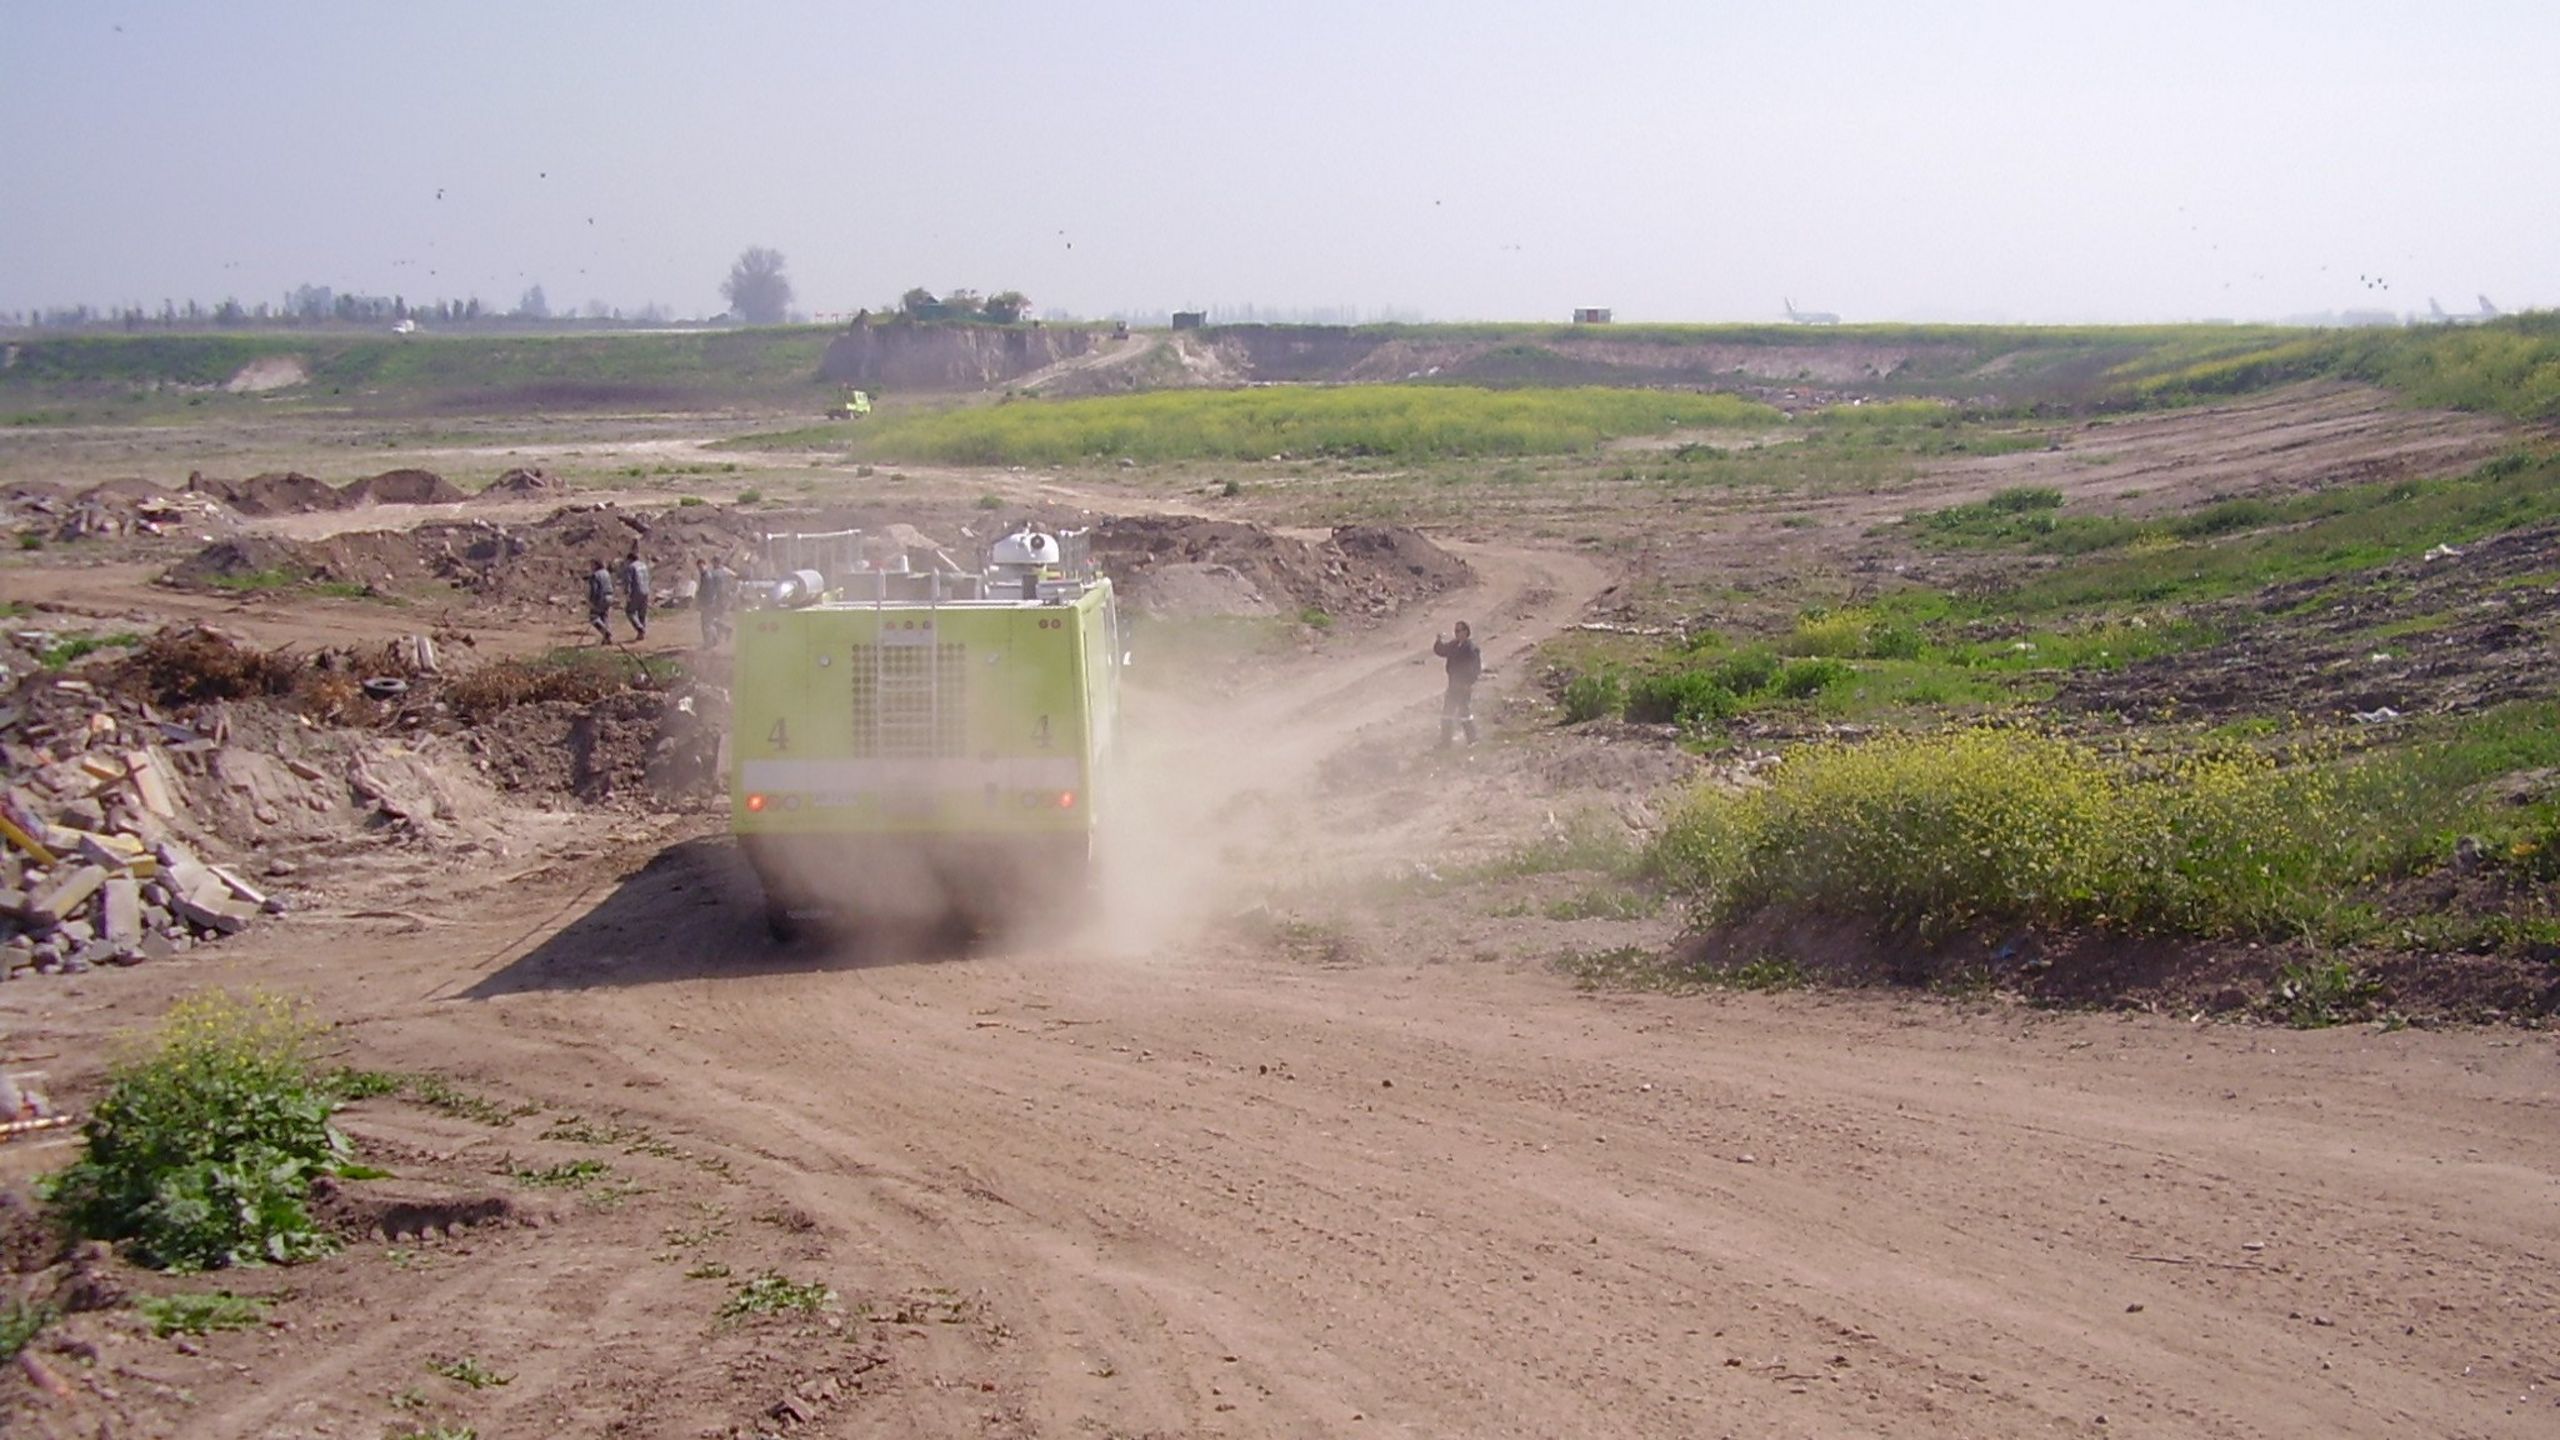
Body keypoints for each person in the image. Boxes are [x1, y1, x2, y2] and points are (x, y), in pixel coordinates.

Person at [1432, 620, 1481, 747]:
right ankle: (1446, 741)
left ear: (1466, 632)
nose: (1456, 633)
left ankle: (1472, 740)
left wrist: (1468, 683)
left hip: (1464, 686)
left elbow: (1475, 668)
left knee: (1464, 713)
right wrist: (1438, 642)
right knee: (1447, 712)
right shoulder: (1454, 645)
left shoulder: (1471, 648)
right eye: (1455, 631)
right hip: (1453, 684)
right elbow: (1441, 651)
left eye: (1459, 631)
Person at [619, 546, 651, 642]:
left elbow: (628, 581)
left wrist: (627, 593)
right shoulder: (644, 566)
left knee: (630, 611)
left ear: (629, 559)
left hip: (636, 591)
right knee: (642, 613)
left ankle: (639, 628)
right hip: (646, 590)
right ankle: (642, 633)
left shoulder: (631, 567)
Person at [585, 560, 615, 644]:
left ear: (596, 565)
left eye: (592, 565)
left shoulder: (595, 575)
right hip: (610, 596)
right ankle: (607, 639)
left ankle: (606, 633)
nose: (591, 567)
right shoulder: (606, 573)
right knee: (604, 616)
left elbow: (594, 590)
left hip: (601, 598)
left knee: (593, 617)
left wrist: (592, 602)